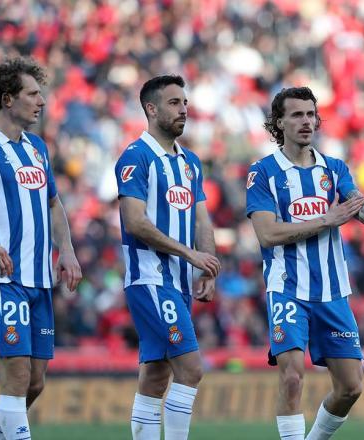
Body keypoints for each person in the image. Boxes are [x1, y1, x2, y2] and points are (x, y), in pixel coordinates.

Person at [246, 86, 364, 440]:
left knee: (351, 387)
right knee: (292, 377)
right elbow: (267, 234)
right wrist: (328, 219)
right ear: (279, 123)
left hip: (332, 291)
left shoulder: (334, 169)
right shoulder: (263, 172)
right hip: (287, 288)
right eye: (296, 115)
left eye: (310, 114)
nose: (306, 121)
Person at [0, 57, 82, 440]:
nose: (41, 102)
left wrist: (66, 250)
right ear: (7, 99)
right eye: (33, 94)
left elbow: (53, 203)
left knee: (34, 382)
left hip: (39, 280)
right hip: (1, 278)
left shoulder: (37, 147)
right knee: (17, 375)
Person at [115, 74, 221, 440]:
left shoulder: (190, 162)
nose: (184, 110)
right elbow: (134, 221)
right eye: (174, 103)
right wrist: (190, 254)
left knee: (157, 374)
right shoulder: (136, 156)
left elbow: (201, 217)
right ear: (151, 108)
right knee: (190, 369)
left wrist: (207, 264)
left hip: (178, 283)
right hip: (150, 279)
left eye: (185, 103)